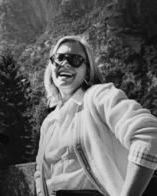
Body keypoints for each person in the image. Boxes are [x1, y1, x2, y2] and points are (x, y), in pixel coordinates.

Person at [34, 35, 157, 196]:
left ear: (87, 70)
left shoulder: (97, 96)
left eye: (75, 59)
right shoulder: (48, 122)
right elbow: (40, 173)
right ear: (51, 67)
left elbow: (149, 134)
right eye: (59, 58)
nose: (65, 63)